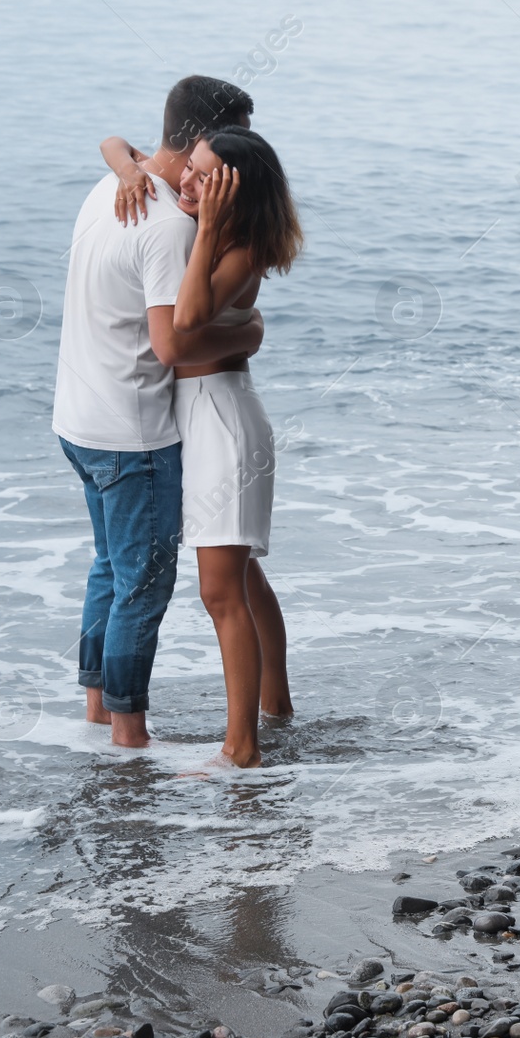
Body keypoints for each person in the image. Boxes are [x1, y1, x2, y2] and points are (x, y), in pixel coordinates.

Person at [53, 76, 260, 750]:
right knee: (142, 584)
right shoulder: (170, 223)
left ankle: (95, 712)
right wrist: (248, 334)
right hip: (130, 430)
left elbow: (113, 144)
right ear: (203, 142)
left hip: (77, 415)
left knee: (110, 568)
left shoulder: (111, 187)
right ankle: (127, 736)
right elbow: (172, 345)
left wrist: (118, 159)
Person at [101, 125, 303, 768]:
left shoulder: (239, 247)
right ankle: (277, 706)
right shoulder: (206, 221)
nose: (185, 181)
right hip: (208, 414)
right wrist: (131, 173)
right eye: (189, 166)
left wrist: (209, 229)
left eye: (203, 176)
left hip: (222, 422)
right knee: (243, 576)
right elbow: (116, 143)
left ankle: (242, 747)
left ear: (232, 193)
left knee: (220, 592)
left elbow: (184, 324)